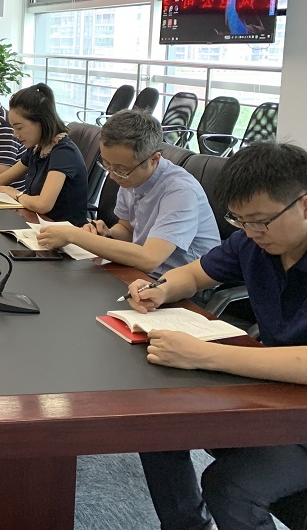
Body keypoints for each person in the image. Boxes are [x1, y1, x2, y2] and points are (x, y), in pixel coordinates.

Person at [127, 142, 307, 530]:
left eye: (260, 221)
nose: (251, 232)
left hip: (299, 417)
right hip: (275, 394)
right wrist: (160, 288)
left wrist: (201, 354)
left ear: (304, 205)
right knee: (157, 425)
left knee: (229, 486)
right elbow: (194, 274)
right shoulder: (252, 243)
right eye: (240, 221)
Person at [37, 110, 220, 275]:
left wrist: (74, 235)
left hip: (181, 284)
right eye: (107, 164)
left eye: (121, 169)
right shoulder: (132, 176)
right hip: (141, 273)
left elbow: (150, 259)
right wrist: (107, 234)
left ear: (154, 159)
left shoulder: (180, 192)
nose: (112, 176)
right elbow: (127, 229)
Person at [0, 83, 88, 226]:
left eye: (19, 127)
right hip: (39, 224)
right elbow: (1, 178)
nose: (15, 134)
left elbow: (43, 204)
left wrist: (15, 193)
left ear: (41, 122)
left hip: (64, 232)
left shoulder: (63, 153)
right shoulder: (37, 148)